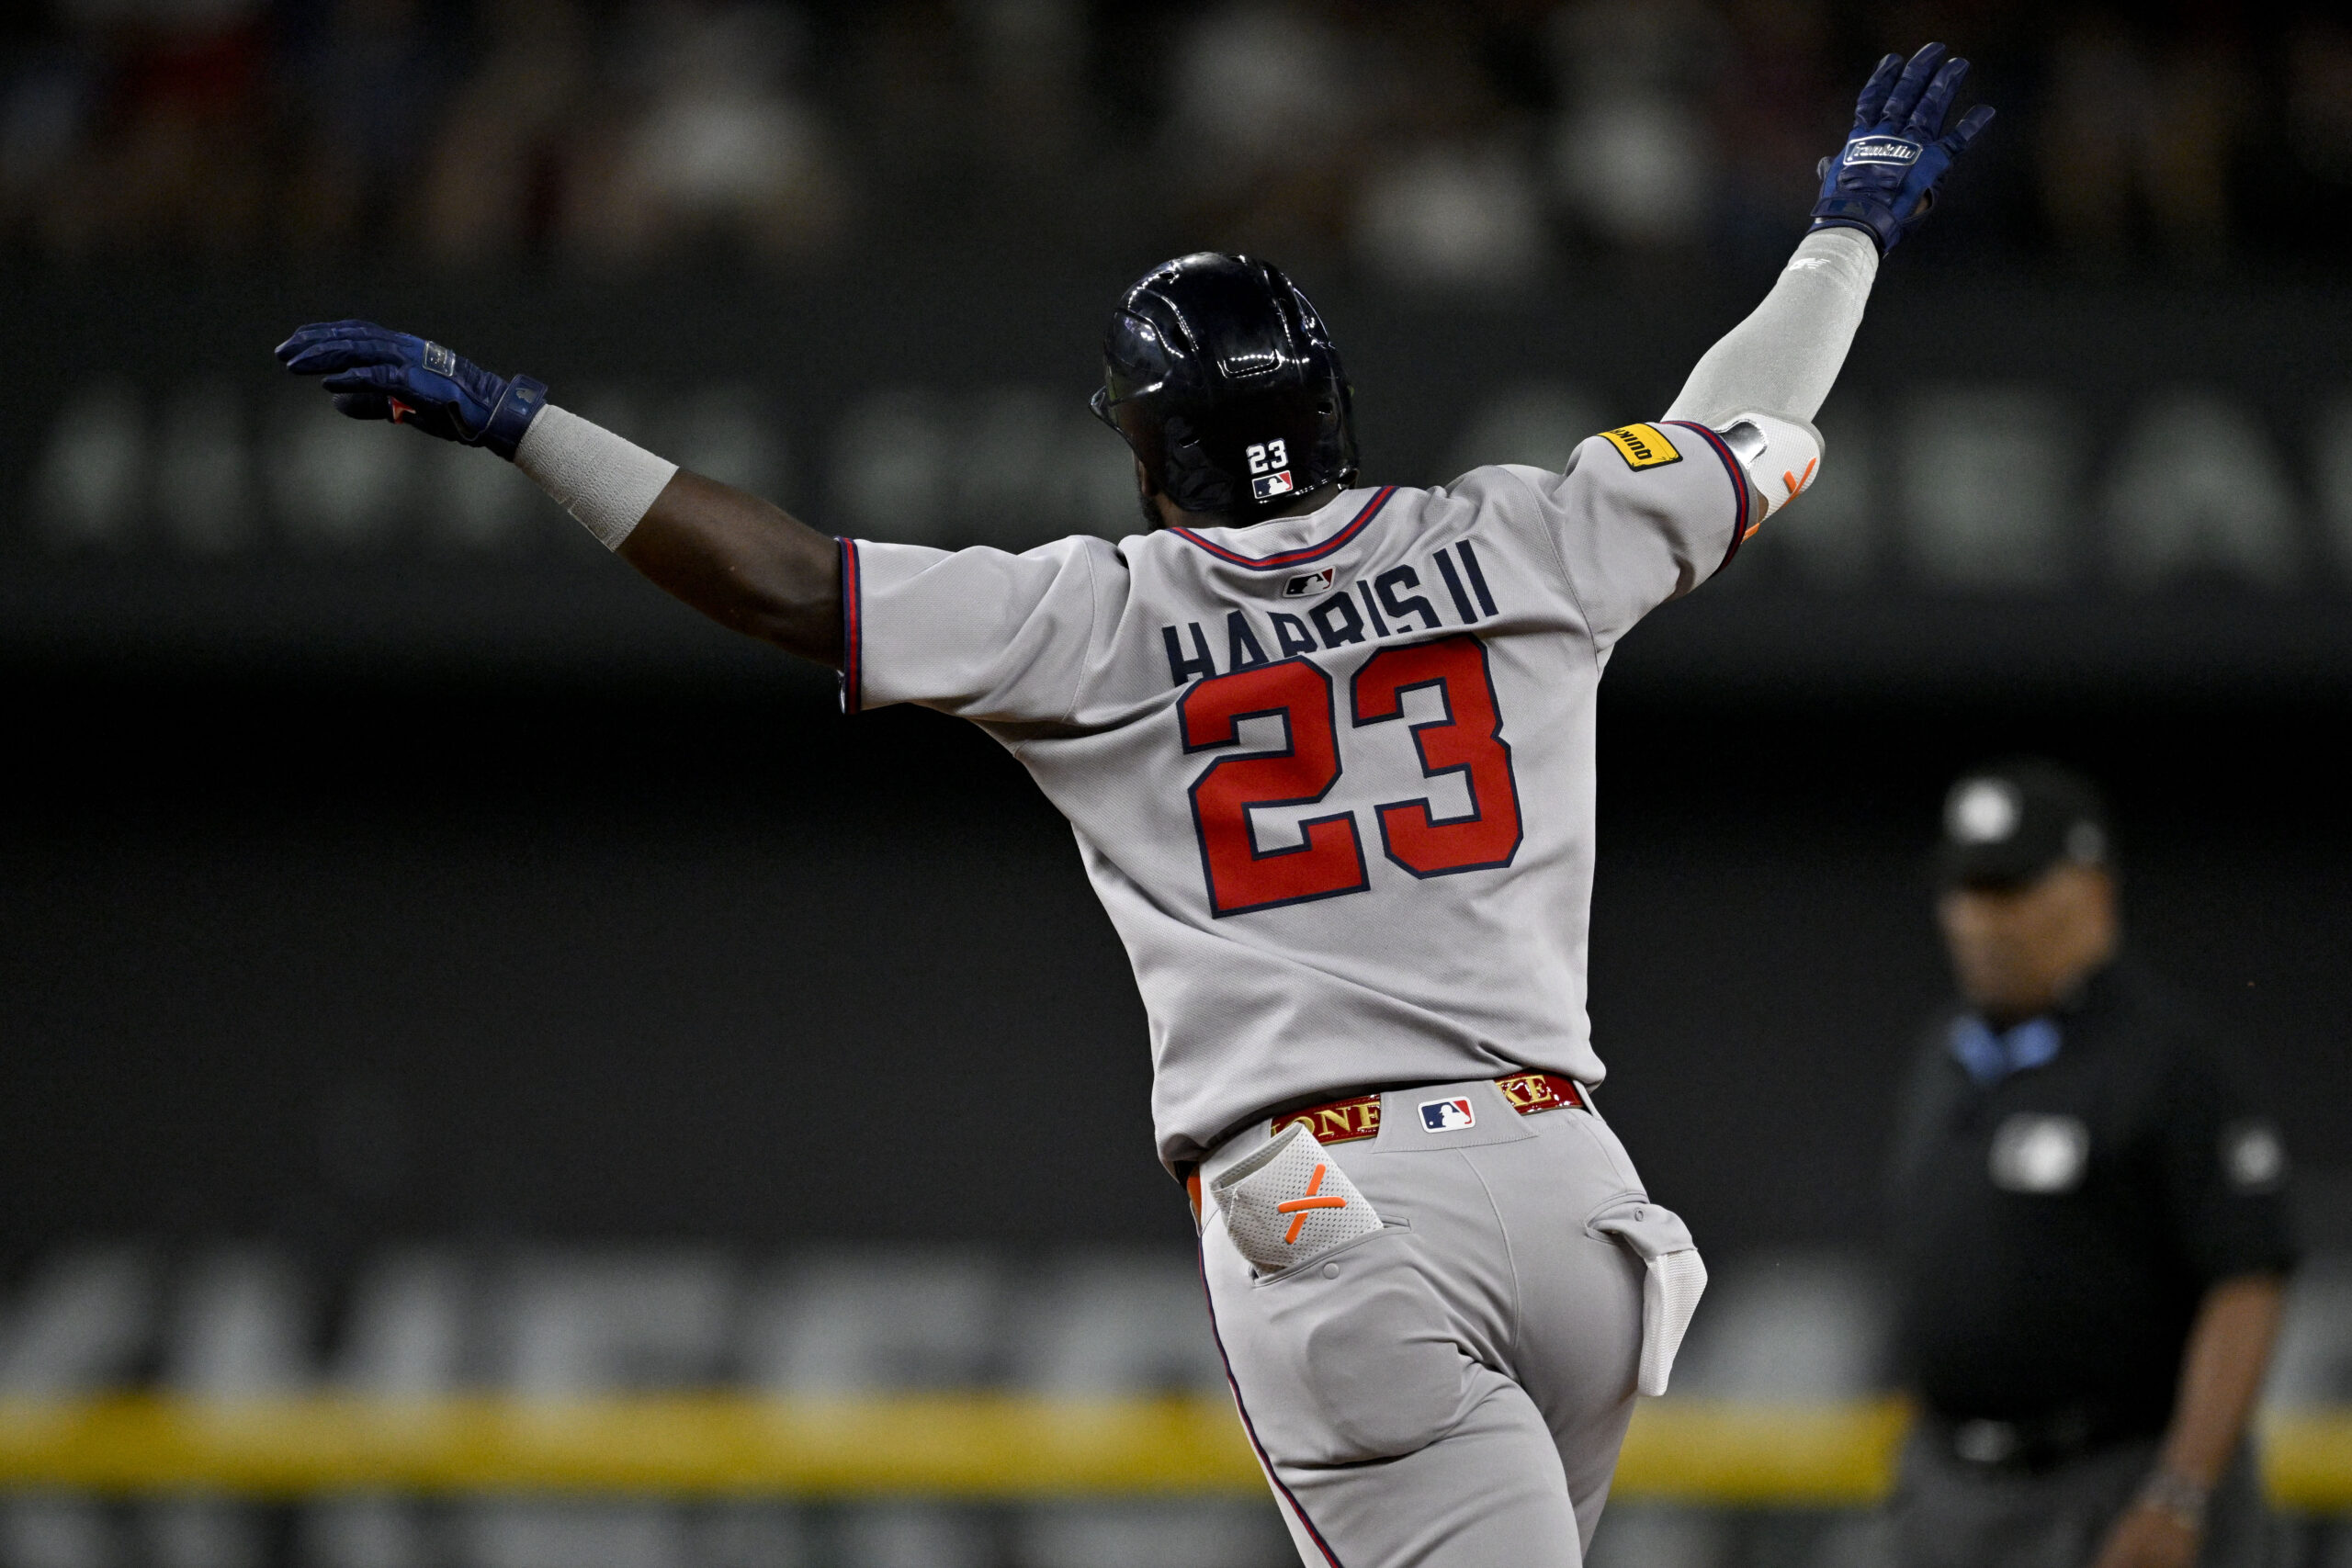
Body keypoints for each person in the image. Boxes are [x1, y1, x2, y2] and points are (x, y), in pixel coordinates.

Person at [277, 46, 1992, 1568]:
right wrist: (1845, 224)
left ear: (1148, 448)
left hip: (1338, 1215)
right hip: (1577, 1197)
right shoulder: (1529, 535)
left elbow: (794, 585)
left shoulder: (1099, 615)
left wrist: (526, 423)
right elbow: (1746, 415)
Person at [1885, 760, 2297, 1568]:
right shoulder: (1947, 1054)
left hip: (2108, 1486)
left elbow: (2248, 1279)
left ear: (2092, 889)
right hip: (1950, 1490)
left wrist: (2180, 1488)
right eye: (1963, 891)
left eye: (2008, 890)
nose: (1977, 919)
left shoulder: (2170, 1063)